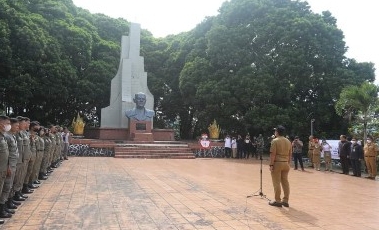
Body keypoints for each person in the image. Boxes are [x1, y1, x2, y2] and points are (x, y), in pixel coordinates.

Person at [268, 125, 292, 208]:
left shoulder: (275, 141)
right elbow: (290, 154)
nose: (274, 132)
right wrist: (289, 163)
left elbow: (273, 154)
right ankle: (285, 200)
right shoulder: (288, 141)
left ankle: (277, 200)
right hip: (286, 163)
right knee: (285, 182)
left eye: (275, 131)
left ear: (277, 132)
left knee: (276, 182)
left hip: (277, 163)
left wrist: (271, 164)